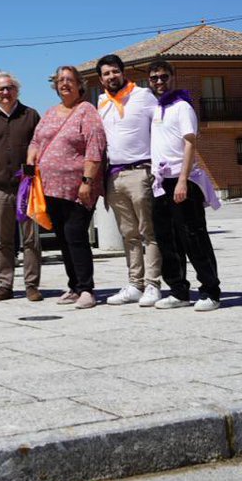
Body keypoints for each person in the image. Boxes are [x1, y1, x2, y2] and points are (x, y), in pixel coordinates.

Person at [28, 66, 106, 309]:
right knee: (63, 238)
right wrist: (31, 157)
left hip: (77, 189)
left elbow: (95, 148)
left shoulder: (87, 111)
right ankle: (73, 286)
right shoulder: (50, 113)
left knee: (76, 236)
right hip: (50, 188)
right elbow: (36, 140)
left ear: (79, 84)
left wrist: (87, 182)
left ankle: (86, 289)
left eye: (69, 80)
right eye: (61, 80)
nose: (65, 84)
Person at [148, 60, 222, 312]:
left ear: (173, 77)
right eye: (154, 78)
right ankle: (178, 290)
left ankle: (211, 291)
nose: (159, 82)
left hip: (183, 180)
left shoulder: (182, 107)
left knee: (193, 237)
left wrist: (182, 180)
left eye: (163, 77)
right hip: (160, 182)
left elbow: (190, 143)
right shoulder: (157, 109)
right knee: (167, 238)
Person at [96, 54, 162, 307]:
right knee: (129, 234)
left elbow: (161, 128)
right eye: (106, 74)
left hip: (140, 172)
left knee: (149, 232)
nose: (111, 77)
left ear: (123, 72)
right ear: (101, 79)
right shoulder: (101, 102)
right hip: (114, 176)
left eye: (114, 72)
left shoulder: (143, 96)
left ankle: (153, 284)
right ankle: (135, 283)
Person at [0, 72, 41, 302]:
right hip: (0, 188)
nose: (6, 93)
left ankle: (31, 285)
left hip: (27, 187)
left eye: (10, 88)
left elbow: (40, 149)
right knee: (3, 240)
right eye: (1, 89)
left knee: (30, 239)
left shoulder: (31, 115)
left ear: (17, 90)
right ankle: (5, 285)